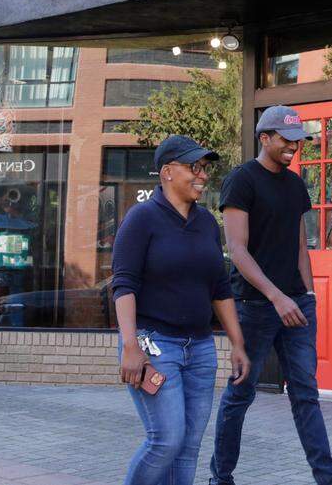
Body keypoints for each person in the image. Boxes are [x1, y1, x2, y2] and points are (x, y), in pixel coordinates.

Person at [210, 106, 332, 485]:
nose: (293, 147)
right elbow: (237, 250)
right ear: (264, 138)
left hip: (297, 306)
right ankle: (221, 477)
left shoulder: (295, 184)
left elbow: (300, 245)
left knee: (306, 396)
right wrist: (276, 296)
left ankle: (328, 480)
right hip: (253, 307)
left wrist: (307, 293)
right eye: (286, 140)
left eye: (298, 141)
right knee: (240, 395)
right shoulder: (241, 181)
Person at [111, 135, 251, 485]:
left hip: (200, 349)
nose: (202, 176)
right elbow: (123, 285)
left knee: (188, 446)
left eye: (204, 168)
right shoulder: (141, 218)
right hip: (154, 346)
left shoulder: (206, 222)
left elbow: (220, 287)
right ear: (167, 172)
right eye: (194, 168)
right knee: (166, 440)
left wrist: (237, 343)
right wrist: (130, 346)